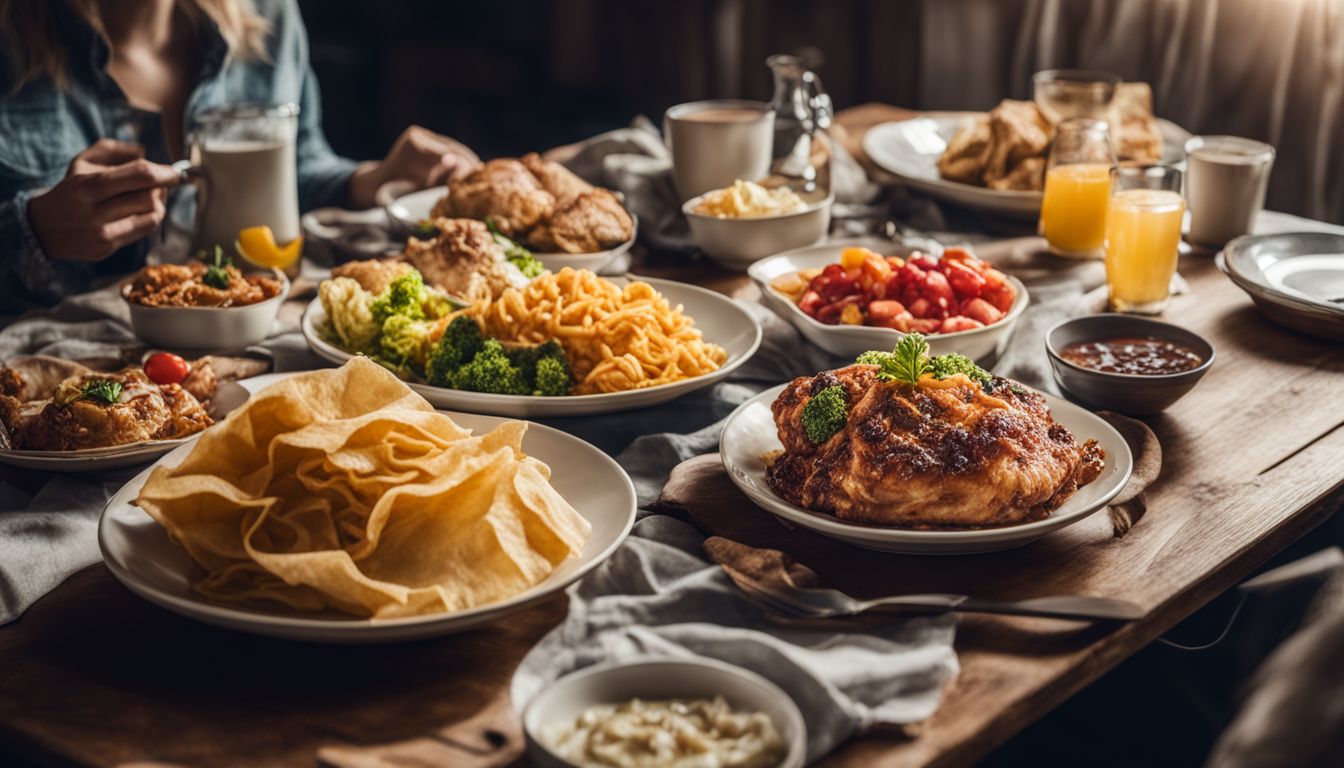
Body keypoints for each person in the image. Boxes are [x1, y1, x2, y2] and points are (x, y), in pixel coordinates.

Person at [0, 0, 480, 309]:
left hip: (254, 339)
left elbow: (299, 169)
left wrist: (371, 181)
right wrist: (31, 232)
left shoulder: (270, 16)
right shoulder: (12, 43)